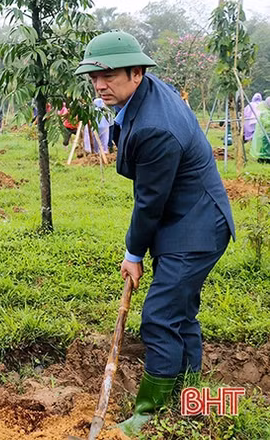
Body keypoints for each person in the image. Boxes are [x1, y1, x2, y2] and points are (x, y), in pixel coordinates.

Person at [76, 31, 234, 436]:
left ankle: (149, 412)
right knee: (180, 312)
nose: (99, 84)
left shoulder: (156, 128)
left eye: (109, 74)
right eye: (94, 76)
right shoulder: (141, 96)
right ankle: (189, 395)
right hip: (188, 218)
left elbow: (150, 203)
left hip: (195, 227)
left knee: (160, 316)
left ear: (137, 71)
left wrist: (134, 253)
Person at [250, 96, 270, 163]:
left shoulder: (267, 111)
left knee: (266, 147)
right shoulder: (265, 113)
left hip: (266, 132)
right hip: (265, 133)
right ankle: (264, 159)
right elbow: (266, 123)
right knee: (265, 147)